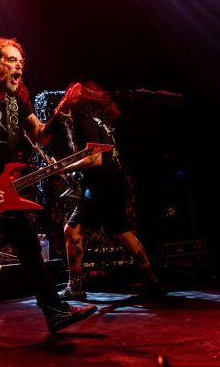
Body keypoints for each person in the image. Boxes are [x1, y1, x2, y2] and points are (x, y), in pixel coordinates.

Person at [0, 38, 97, 338]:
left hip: (5, 191)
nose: (19, 67)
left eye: (21, 62)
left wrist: (62, 110)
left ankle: (54, 311)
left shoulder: (15, 103)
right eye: (12, 60)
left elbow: (41, 135)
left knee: (28, 247)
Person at [55, 81, 164, 300]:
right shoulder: (99, 123)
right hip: (115, 182)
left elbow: (95, 160)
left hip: (101, 186)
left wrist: (63, 168)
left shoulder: (84, 123)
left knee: (72, 230)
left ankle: (75, 286)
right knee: (123, 231)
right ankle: (152, 281)